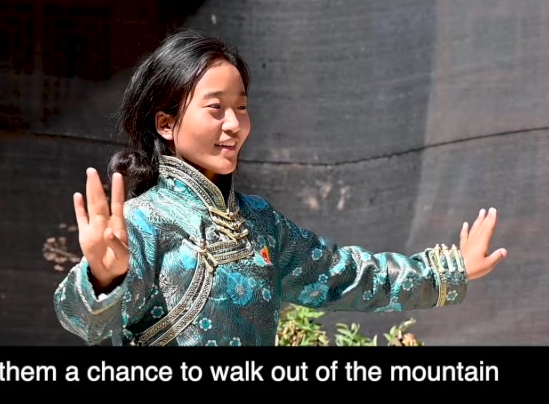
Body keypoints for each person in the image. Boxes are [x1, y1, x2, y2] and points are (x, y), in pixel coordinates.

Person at [53, 29, 506, 346]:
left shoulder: (259, 222)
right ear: (167, 123)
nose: (233, 124)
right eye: (216, 108)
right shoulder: (142, 222)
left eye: (242, 107)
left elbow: (343, 275)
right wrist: (103, 277)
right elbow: (84, 324)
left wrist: (446, 272)